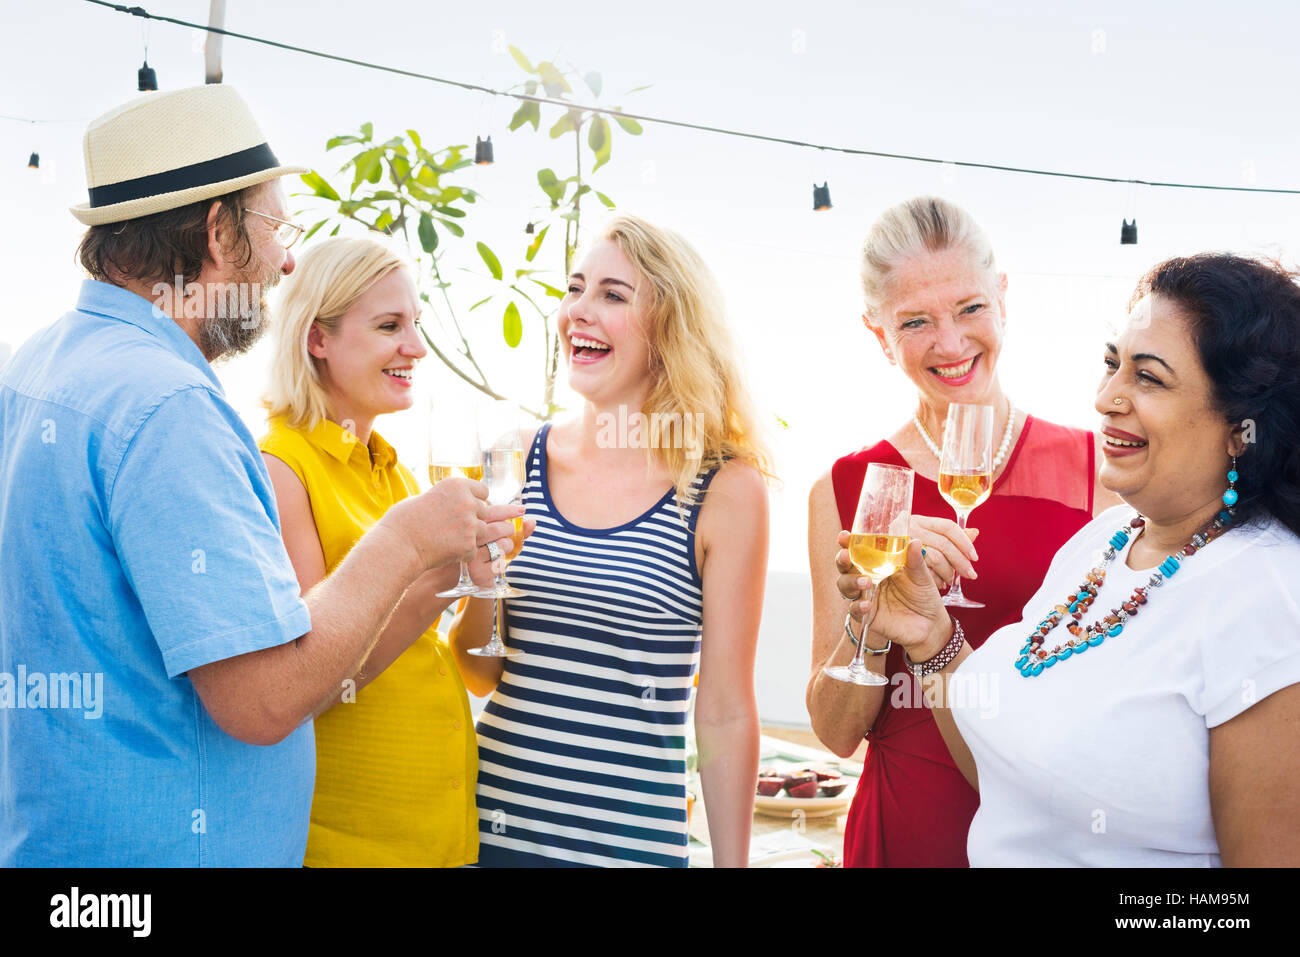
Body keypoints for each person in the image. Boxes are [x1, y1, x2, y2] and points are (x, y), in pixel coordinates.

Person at [0, 85, 519, 866]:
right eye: (276, 226)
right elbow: (265, 698)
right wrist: (408, 538)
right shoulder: (170, 406)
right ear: (217, 231)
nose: (285, 261)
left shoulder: (39, 362)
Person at [843, 252, 1300, 866]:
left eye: (1149, 378)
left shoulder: (1268, 597)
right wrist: (929, 633)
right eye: (1113, 365)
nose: (1108, 398)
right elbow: (1009, 778)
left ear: (1241, 427)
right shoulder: (1103, 541)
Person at [806, 196, 1123, 867]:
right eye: (915, 320)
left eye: (970, 308)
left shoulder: (1096, 474)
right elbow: (836, 733)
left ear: (1003, 298)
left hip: (1046, 839)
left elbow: (1110, 701)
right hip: (901, 833)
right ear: (879, 336)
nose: (950, 344)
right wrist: (869, 617)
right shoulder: (848, 488)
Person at [450, 214, 772, 867]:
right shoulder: (514, 457)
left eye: (612, 295)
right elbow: (477, 669)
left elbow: (726, 709)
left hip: (634, 848)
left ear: (669, 330)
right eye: (575, 289)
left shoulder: (724, 490)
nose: (578, 312)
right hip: (489, 836)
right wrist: (480, 587)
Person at [260, 236, 531, 867]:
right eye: (389, 326)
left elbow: (462, 663)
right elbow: (310, 680)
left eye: (416, 324)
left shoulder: (398, 475)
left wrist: (482, 580)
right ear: (316, 338)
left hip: (443, 835)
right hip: (350, 843)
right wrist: (437, 569)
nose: (415, 347)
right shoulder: (283, 469)